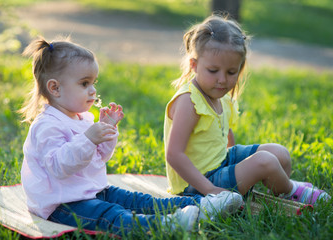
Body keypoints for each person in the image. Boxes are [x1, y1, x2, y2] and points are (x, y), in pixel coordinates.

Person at [19, 37, 244, 236]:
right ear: (55, 88)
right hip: (63, 204)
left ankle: (205, 204)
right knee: (112, 215)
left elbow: (98, 159)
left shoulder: (83, 119)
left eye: (93, 83)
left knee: (138, 200)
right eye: (84, 84)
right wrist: (90, 138)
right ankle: (164, 225)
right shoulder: (46, 126)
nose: (93, 91)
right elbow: (59, 166)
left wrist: (107, 131)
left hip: (93, 190)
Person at [164, 15, 331, 205]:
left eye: (231, 72)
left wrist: (237, 168)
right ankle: (291, 191)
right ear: (194, 65)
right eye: (213, 71)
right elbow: (174, 155)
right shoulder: (189, 101)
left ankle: (282, 188)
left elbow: (225, 132)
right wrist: (211, 189)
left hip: (220, 163)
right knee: (265, 162)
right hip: (197, 185)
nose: (222, 79)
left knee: (280, 153)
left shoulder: (219, 95)